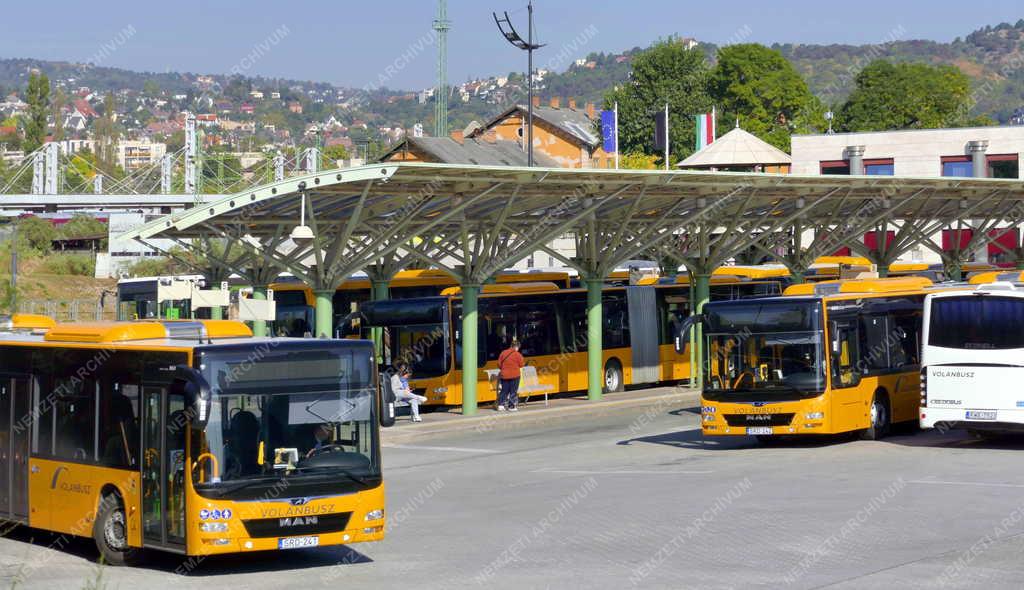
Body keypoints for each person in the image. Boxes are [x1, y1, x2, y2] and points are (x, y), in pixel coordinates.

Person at [497, 339, 526, 412]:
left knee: (504, 390)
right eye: (518, 348)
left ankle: (500, 405)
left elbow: (499, 364)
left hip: (504, 375)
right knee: (513, 391)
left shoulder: (503, 353)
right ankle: (511, 406)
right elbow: (521, 365)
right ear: (516, 347)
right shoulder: (518, 354)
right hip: (515, 375)